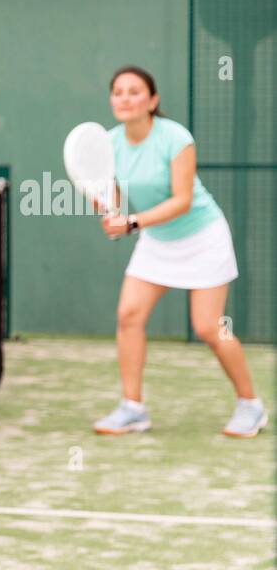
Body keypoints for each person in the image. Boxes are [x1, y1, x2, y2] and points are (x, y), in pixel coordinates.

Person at [92, 65, 265, 438]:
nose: (125, 98)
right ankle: (132, 408)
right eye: (118, 91)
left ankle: (250, 405)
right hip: (157, 240)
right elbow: (115, 200)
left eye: (134, 91)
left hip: (202, 237)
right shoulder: (108, 143)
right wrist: (107, 208)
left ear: (152, 100)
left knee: (208, 327)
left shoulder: (176, 138)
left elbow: (182, 200)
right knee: (128, 316)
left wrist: (132, 223)